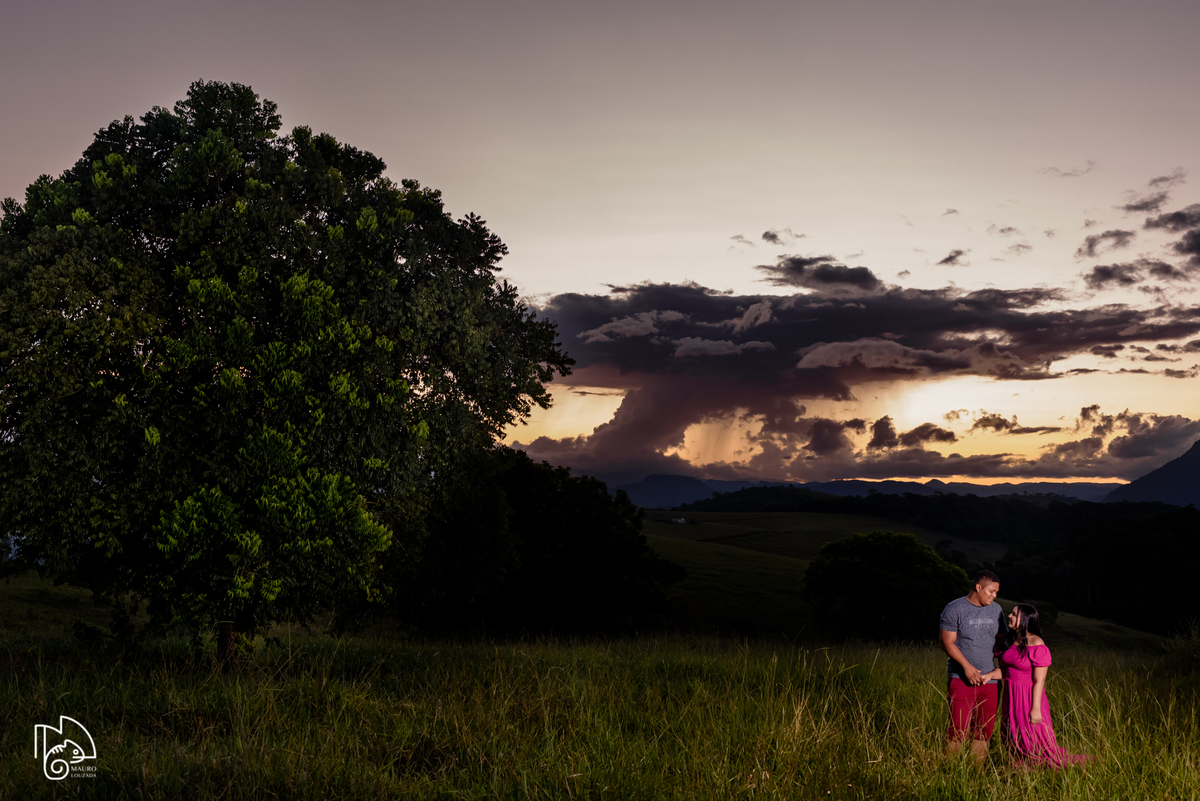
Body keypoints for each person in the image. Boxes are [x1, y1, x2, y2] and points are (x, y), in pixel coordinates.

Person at [987, 603, 1091, 767]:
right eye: (1011, 613)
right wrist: (988, 675)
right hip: (1011, 694)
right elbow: (1006, 672)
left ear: (1026, 619)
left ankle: (1042, 766)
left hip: (1029, 696)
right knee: (1011, 733)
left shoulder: (1036, 643)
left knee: (1033, 736)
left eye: (1014, 614)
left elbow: (1039, 680)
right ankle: (1018, 768)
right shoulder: (1009, 639)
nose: (1009, 616)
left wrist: (1035, 708)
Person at [939, 570, 1007, 761]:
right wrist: (967, 667)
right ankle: (951, 774)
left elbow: (1002, 640)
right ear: (978, 587)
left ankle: (974, 776)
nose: (994, 596)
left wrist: (1000, 669)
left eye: (996, 592)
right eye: (991, 591)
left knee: (984, 730)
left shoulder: (997, 610)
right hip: (960, 678)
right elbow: (946, 642)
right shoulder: (955, 608)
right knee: (957, 729)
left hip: (990, 680)